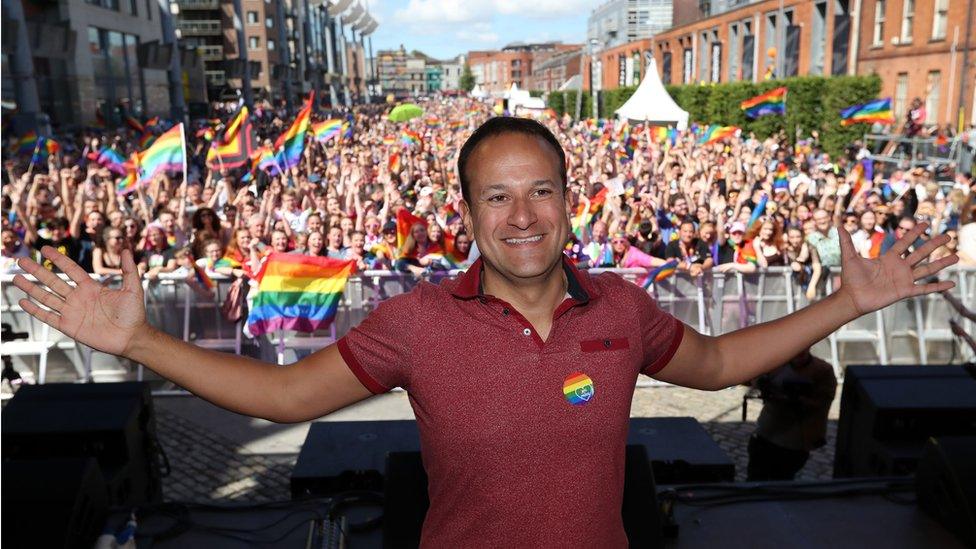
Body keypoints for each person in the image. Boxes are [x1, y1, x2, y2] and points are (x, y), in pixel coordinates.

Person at [11, 117, 959, 548]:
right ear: (465, 211)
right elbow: (286, 396)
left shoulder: (621, 310)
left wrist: (845, 304)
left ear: (568, 203)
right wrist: (138, 342)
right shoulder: (418, 321)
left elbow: (714, 365)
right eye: (496, 195)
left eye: (540, 189)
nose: (521, 214)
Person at [747, 347, 837, 481]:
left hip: (795, 439)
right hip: (767, 432)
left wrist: (796, 399)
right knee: (756, 476)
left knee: (781, 480)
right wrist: (762, 384)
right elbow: (755, 380)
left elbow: (823, 400)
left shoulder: (822, 370)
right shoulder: (776, 364)